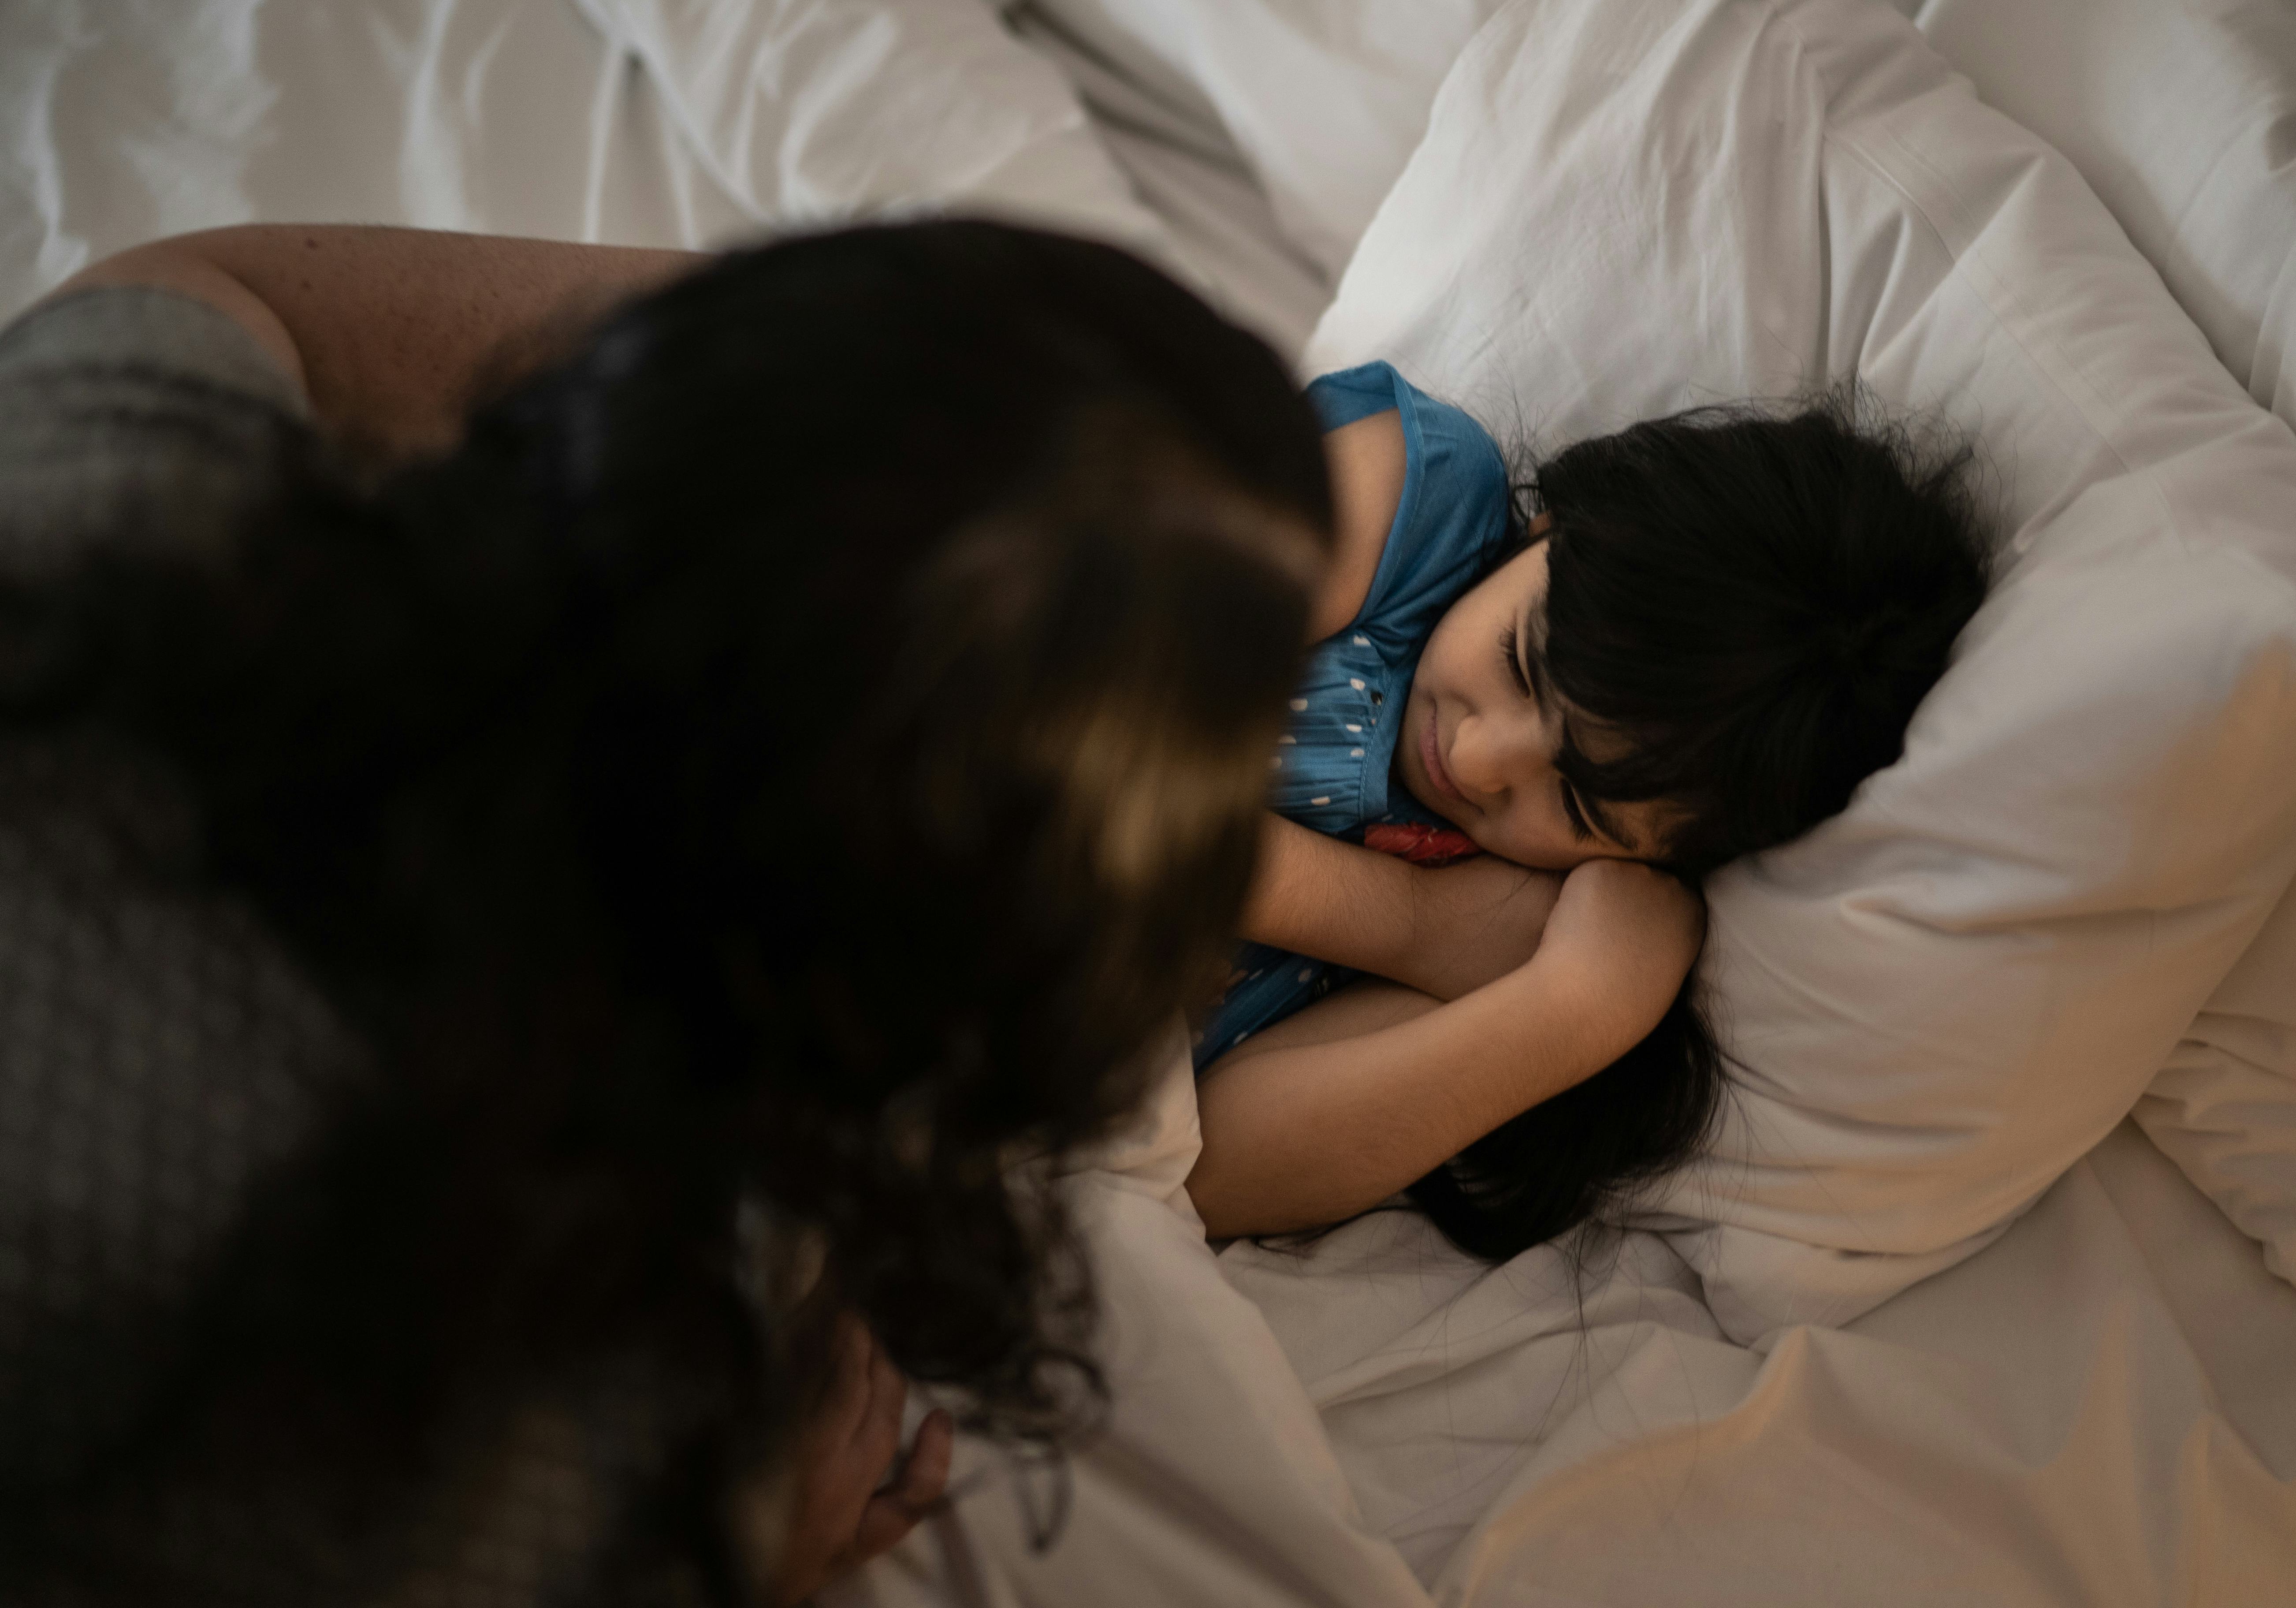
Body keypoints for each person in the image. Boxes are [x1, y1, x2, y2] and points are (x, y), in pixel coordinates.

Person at [0, 220, 1332, 1606]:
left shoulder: (97, 539)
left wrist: (824, 390)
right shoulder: (574, 1454)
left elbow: (215, 287)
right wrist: (768, 1543)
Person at [1187, 365, 1991, 1261]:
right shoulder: (1420, 515)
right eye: (1519, 658)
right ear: (1545, 530)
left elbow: (1203, 1171)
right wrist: (1406, 921)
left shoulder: (1522, 920)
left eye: (1573, 798)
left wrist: (1569, 1013)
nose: (1481, 760)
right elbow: (1062, 707)